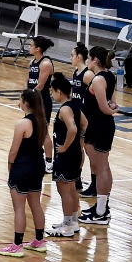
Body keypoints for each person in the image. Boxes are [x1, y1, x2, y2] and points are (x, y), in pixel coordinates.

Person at [0, 90, 53, 257]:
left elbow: (14, 150)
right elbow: (48, 143)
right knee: (36, 204)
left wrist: (10, 166)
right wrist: (49, 161)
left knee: (19, 208)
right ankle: (39, 241)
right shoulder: (42, 121)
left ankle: (17, 244)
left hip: (22, 166)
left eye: (20, 100)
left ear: (25, 103)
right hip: (38, 165)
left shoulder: (22, 124)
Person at [78, 46, 119, 227]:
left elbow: (105, 107)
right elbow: (112, 102)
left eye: (89, 58)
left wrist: (112, 111)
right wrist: (112, 107)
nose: (87, 61)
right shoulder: (109, 76)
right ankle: (102, 208)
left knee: (101, 168)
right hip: (99, 126)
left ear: (95, 60)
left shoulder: (98, 80)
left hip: (100, 126)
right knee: (102, 166)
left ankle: (101, 213)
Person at [47, 74, 86, 238]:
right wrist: (80, 145)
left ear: (59, 91)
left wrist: (64, 147)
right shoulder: (75, 105)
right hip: (75, 153)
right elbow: (85, 124)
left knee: (65, 191)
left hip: (66, 155)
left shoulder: (64, 109)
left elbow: (73, 129)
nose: (51, 94)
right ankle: (73, 222)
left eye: (52, 91)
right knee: (72, 189)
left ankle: (67, 225)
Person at [70, 42, 94, 196]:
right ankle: (77, 177)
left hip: (86, 117)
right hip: (77, 115)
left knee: (86, 148)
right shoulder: (76, 72)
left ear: (79, 57)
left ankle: (93, 180)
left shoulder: (87, 74)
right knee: (78, 147)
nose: (70, 58)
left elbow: (97, 94)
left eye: (72, 55)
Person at [26, 35, 55, 123]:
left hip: (42, 100)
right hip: (32, 98)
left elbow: (40, 85)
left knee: (43, 132)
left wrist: (28, 97)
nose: (29, 47)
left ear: (38, 48)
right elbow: (27, 80)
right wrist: (24, 96)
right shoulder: (31, 62)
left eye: (31, 45)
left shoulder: (45, 63)